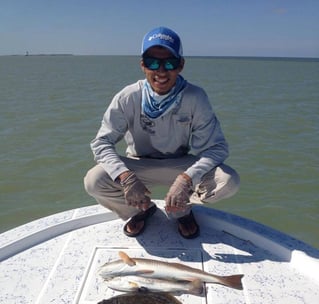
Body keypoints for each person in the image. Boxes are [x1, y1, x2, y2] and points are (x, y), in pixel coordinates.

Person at [84, 26, 240, 238]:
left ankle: (181, 209)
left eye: (170, 63)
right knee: (94, 181)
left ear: (181, 65)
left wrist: (186, 180)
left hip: (180, 164)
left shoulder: (195, 97)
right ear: (142, 65)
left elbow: (217, 148)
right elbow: (101, 143)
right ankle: (142, 209)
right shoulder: (127, 97)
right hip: (138, 163)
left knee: (228, 181)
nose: (161, 71)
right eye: (152, 62)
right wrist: (126, 177)